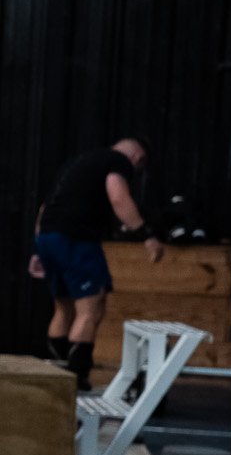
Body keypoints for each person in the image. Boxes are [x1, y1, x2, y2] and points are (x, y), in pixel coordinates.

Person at [29, 136, 164, 390]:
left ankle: (56, 377)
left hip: (49, 236)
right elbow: (118, 197)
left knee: (63, 309)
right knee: (91, 307)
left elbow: (45, 207)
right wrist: (146, 235)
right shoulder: (118, 162)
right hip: (76, 238)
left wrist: (39, 248)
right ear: (138, 158)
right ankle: (77, 378)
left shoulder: (77, 163)